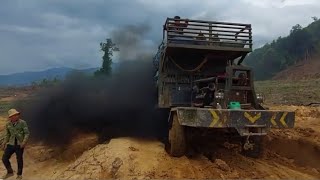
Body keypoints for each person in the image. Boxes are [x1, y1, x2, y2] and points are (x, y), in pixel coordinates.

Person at [2, 109, 30, 180]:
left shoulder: (22, 123)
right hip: (11, 144)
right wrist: (4, 142)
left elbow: (27, 133)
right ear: (11, 117)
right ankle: (10, 171)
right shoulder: (8, 124)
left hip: (19, 144)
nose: (16, 116)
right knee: (4, 158)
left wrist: (23, 142)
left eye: (17, 114)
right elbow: (7, 134)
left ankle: (19, 175)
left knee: (19, 159)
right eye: (14, 115)